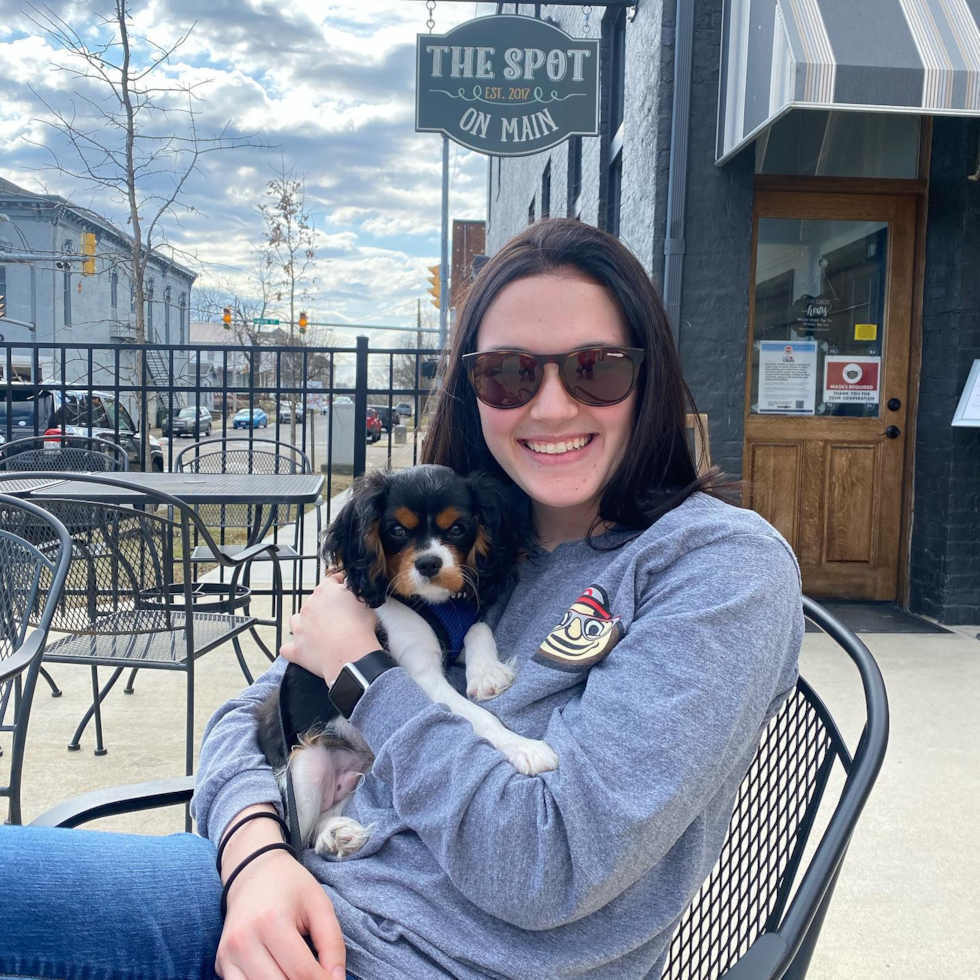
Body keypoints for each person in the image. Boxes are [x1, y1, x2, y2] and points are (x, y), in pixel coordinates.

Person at [0, 218, 802, 980]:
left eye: (597, 367)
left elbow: (548, 862)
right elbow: (253, 717)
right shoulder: (461, 550)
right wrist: (255, 854)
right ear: (471, 389)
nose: (552, 405)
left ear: (647, 376)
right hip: (273, 895)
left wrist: (363, 673)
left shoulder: (713, 567)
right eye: (510, 372)